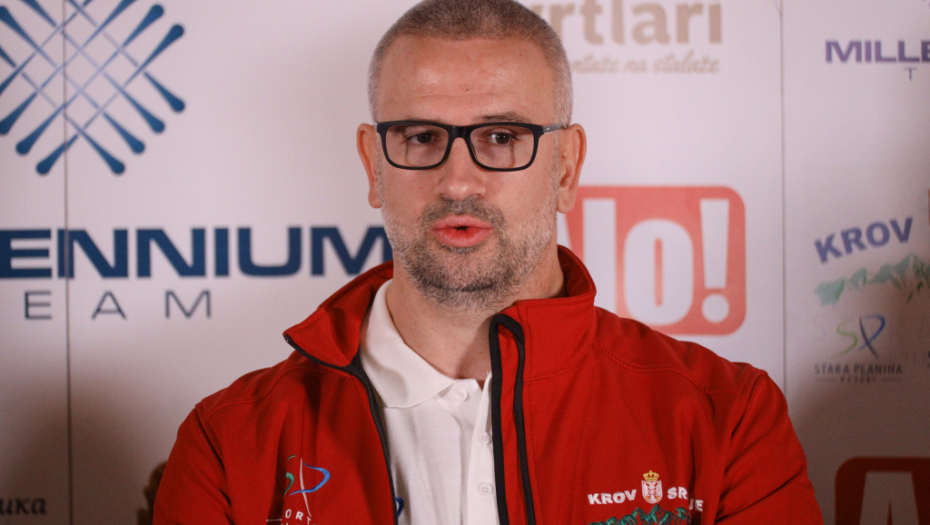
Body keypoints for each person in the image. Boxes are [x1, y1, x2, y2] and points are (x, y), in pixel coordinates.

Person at [154, 0, 823, 523]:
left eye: (502, 137)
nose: (458, 181)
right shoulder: (229, 443)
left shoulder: (727, 418)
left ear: (566, 168)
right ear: (373, 165)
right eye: (421, 137)